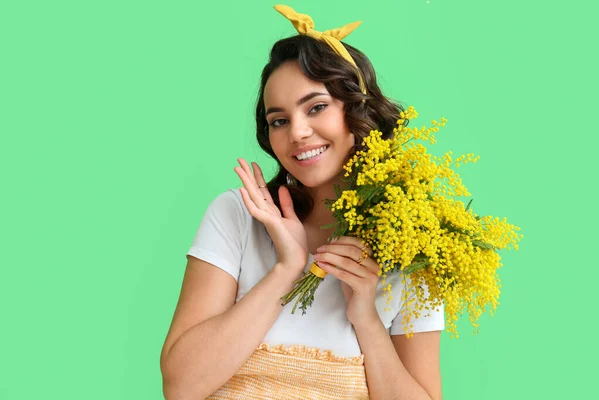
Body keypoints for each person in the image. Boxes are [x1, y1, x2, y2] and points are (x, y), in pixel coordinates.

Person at [160, 5, 445, 399]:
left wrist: (366, 319)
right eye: (278, 120)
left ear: (357, 111)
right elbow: (181, 387)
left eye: (317, 107)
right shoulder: (237, 216)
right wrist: (287, 269)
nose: (297, 132)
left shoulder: (415, 245)